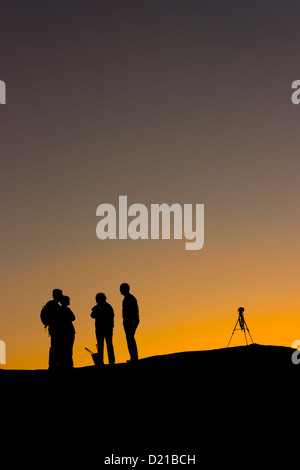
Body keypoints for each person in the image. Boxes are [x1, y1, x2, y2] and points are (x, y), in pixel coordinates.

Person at [40, 288, 63, 370]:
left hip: (54, 328)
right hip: (55, 328)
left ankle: (56, 363)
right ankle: (53, 364)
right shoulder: (52, 305)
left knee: (57, 345)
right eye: (60, 295)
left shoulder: (53, 304)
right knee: (55, 346)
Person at [91, 293, 115, 365]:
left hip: (101, 328)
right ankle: (110, 361)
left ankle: (102, 362)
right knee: (108, 344)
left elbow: (92, 315)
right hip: (107, 328)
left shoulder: (99, 307)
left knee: (102, 345)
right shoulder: (108, 306)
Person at [120, 283, 139, 362]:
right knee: (130, 339)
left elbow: (132, 311)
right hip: (130, 320)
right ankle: (133, 357)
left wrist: (128, 320)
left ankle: (134, 357)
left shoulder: (129, 298)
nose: (120, 291)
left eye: (121, 289)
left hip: (130, 321)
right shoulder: (128, 298)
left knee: (130, 339)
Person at [58, 295, 76, 369]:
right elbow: (73, 318)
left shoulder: (59, 310)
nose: (69, 302)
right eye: (68, 300)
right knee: (68, 349)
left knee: (65, 349)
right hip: (68, 332)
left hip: (65, 332)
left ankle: (65, 365)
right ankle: (68, 365)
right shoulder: (66, 309)